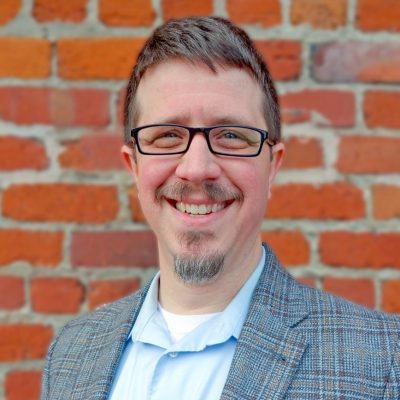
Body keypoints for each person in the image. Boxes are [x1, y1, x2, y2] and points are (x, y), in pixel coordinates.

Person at [41, 16, 400, 400]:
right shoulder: (71, 355)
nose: (197, 168)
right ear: (134, 166)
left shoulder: (384, 360)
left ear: (272, 166)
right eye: (168, 136)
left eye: (231, 135)